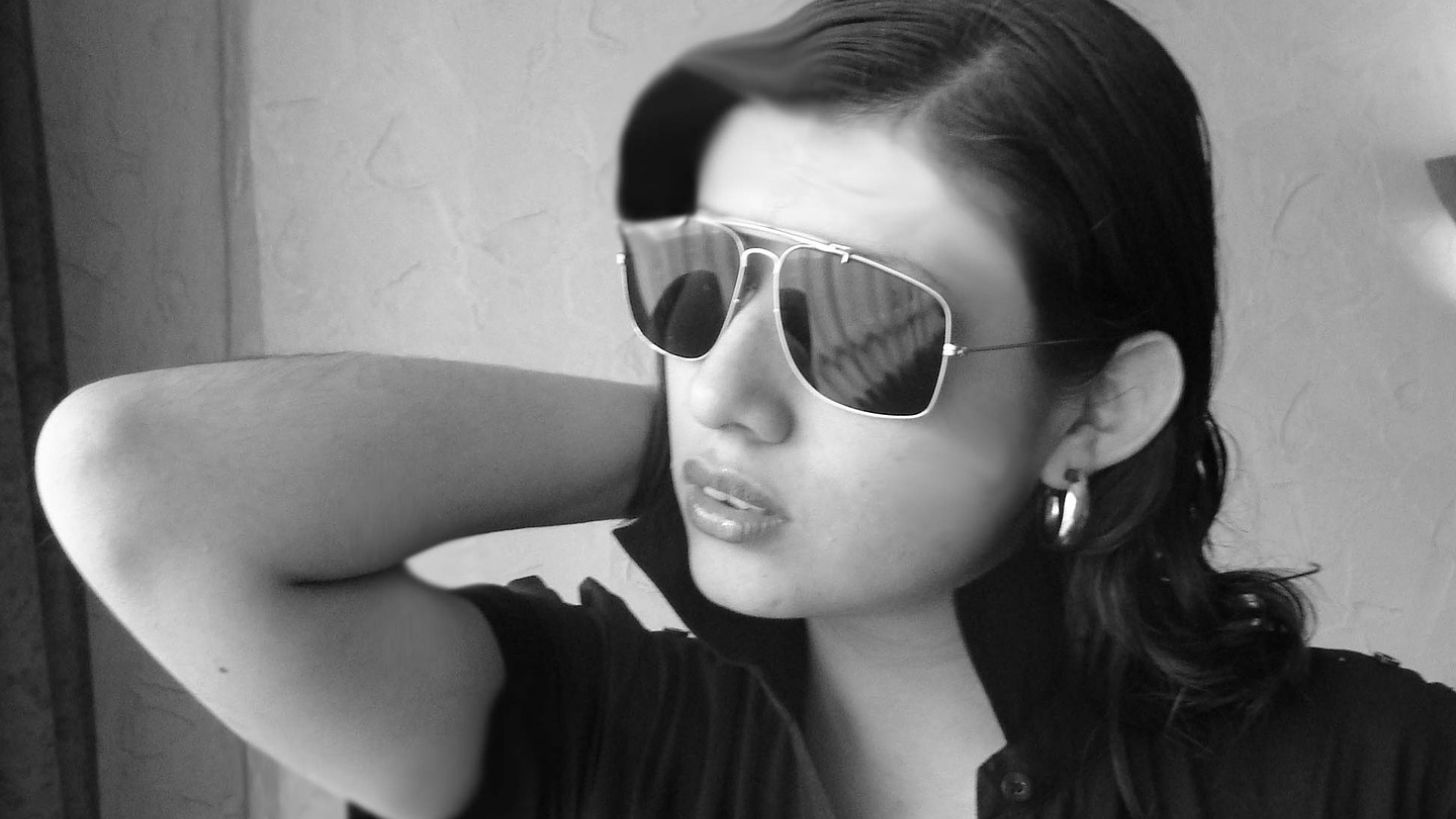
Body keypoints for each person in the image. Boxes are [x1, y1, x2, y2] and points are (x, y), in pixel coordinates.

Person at [33, 0, 1456, 817]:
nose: (723, 388)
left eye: (869, 319)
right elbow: (132, 475)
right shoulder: (593, 736)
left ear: (1100, 407)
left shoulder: (1369, 770)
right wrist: (678, 459)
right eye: (695, 276)